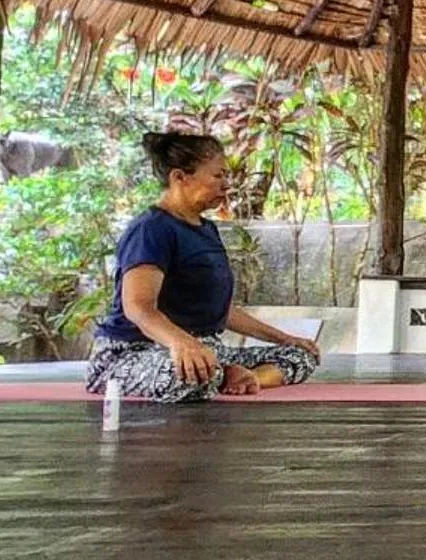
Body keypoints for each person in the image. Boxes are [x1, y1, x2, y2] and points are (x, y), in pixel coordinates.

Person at [84, 132, 321, 402]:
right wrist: (181, 343)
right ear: (179, 178)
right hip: (134, 352)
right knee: (189, 376)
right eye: (218, 176)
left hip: (203, 351)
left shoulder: (206, 230)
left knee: (300, 355)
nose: (226, 185)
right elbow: (138, 307)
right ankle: (221, 374)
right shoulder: (151, 230)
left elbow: (221, 310)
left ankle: (247, 378)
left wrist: (284, 338)